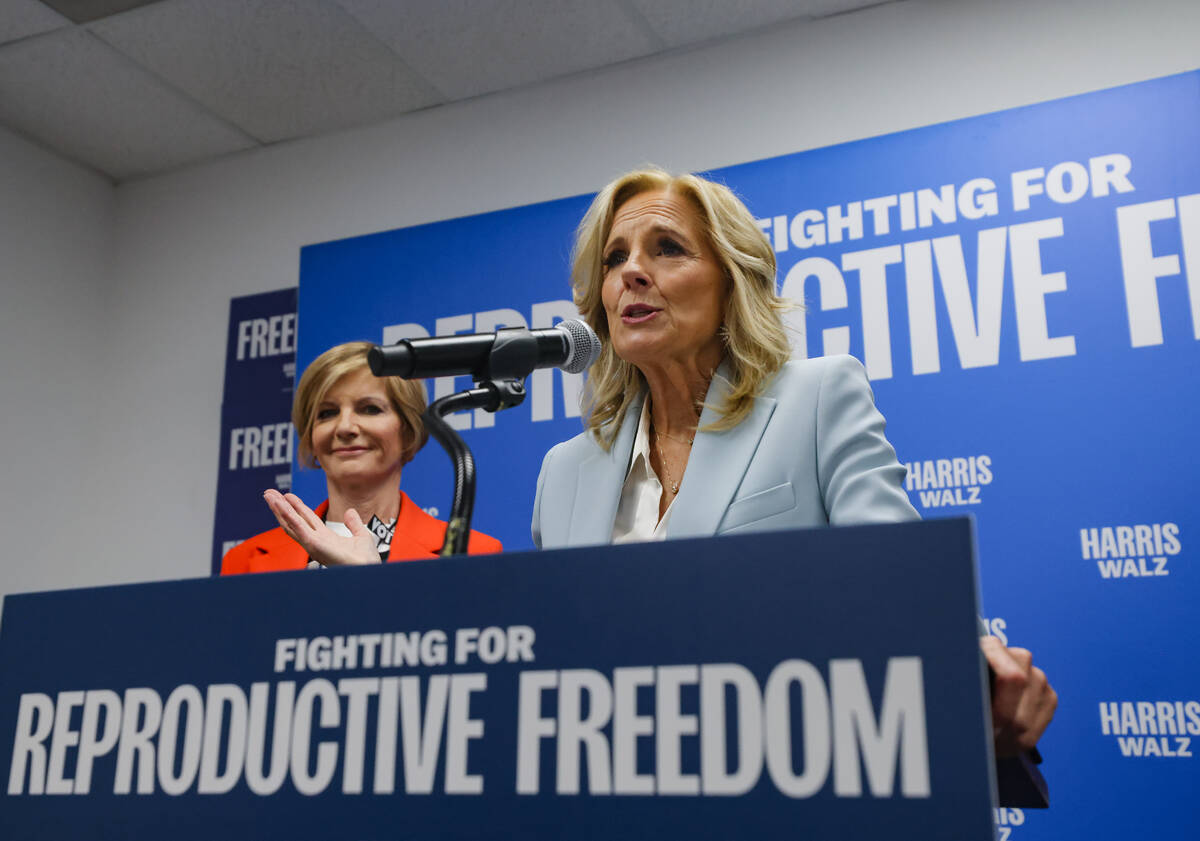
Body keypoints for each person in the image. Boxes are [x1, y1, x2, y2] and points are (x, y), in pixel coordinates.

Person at [531, 166, 1056, 758]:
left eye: (668, 249)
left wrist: (970, 662)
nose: (631, 272)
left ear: (732, 282)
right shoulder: (563, 472)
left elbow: (903, 583)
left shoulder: (817, 398)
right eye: (613, 259)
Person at [221, 341, 501, 575]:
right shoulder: (244, 560)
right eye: (327, 413)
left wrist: (368, 583)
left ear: (408, 429)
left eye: (369, 409)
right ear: (311, 436)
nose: (345, 427)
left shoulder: (475, 554)